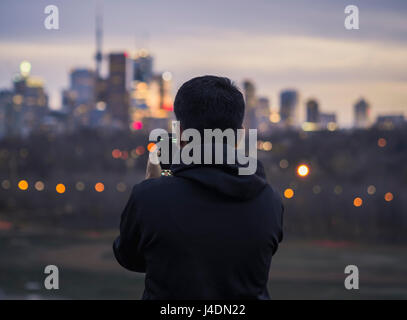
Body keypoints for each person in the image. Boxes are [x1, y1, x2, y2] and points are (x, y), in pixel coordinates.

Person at [113, 75, 284, 300]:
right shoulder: (270, 202)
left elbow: (129, 257)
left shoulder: (149, 198)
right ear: (239, 136)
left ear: (181, 134)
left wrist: (152, 186)